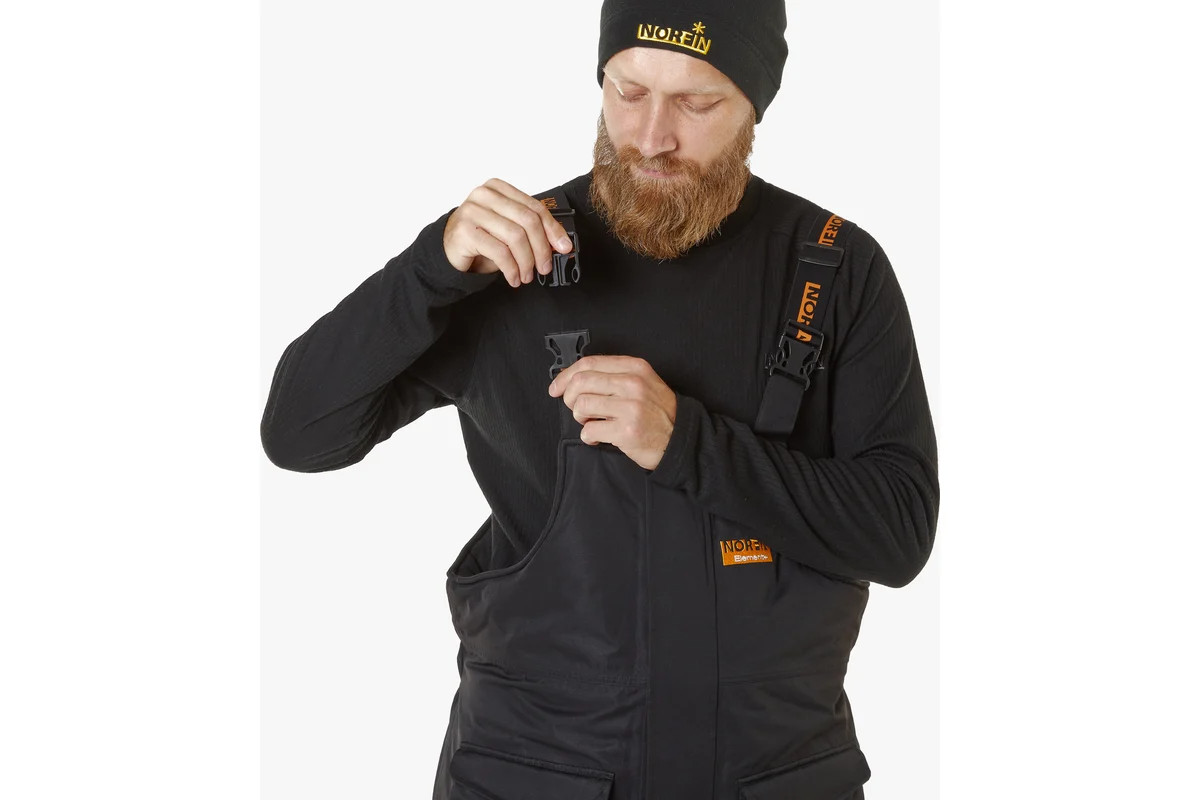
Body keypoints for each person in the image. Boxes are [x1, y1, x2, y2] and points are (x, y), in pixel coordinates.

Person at [261, 0, 938, 797]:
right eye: (627, 91)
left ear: (756, 104)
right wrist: (427, 272)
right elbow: (299, 434)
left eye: (696, 102)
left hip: (775, 777)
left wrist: (687, 442)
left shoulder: (836, 268)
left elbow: (899, 533)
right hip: (528, 776)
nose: (651, 136)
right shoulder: (509, 257)